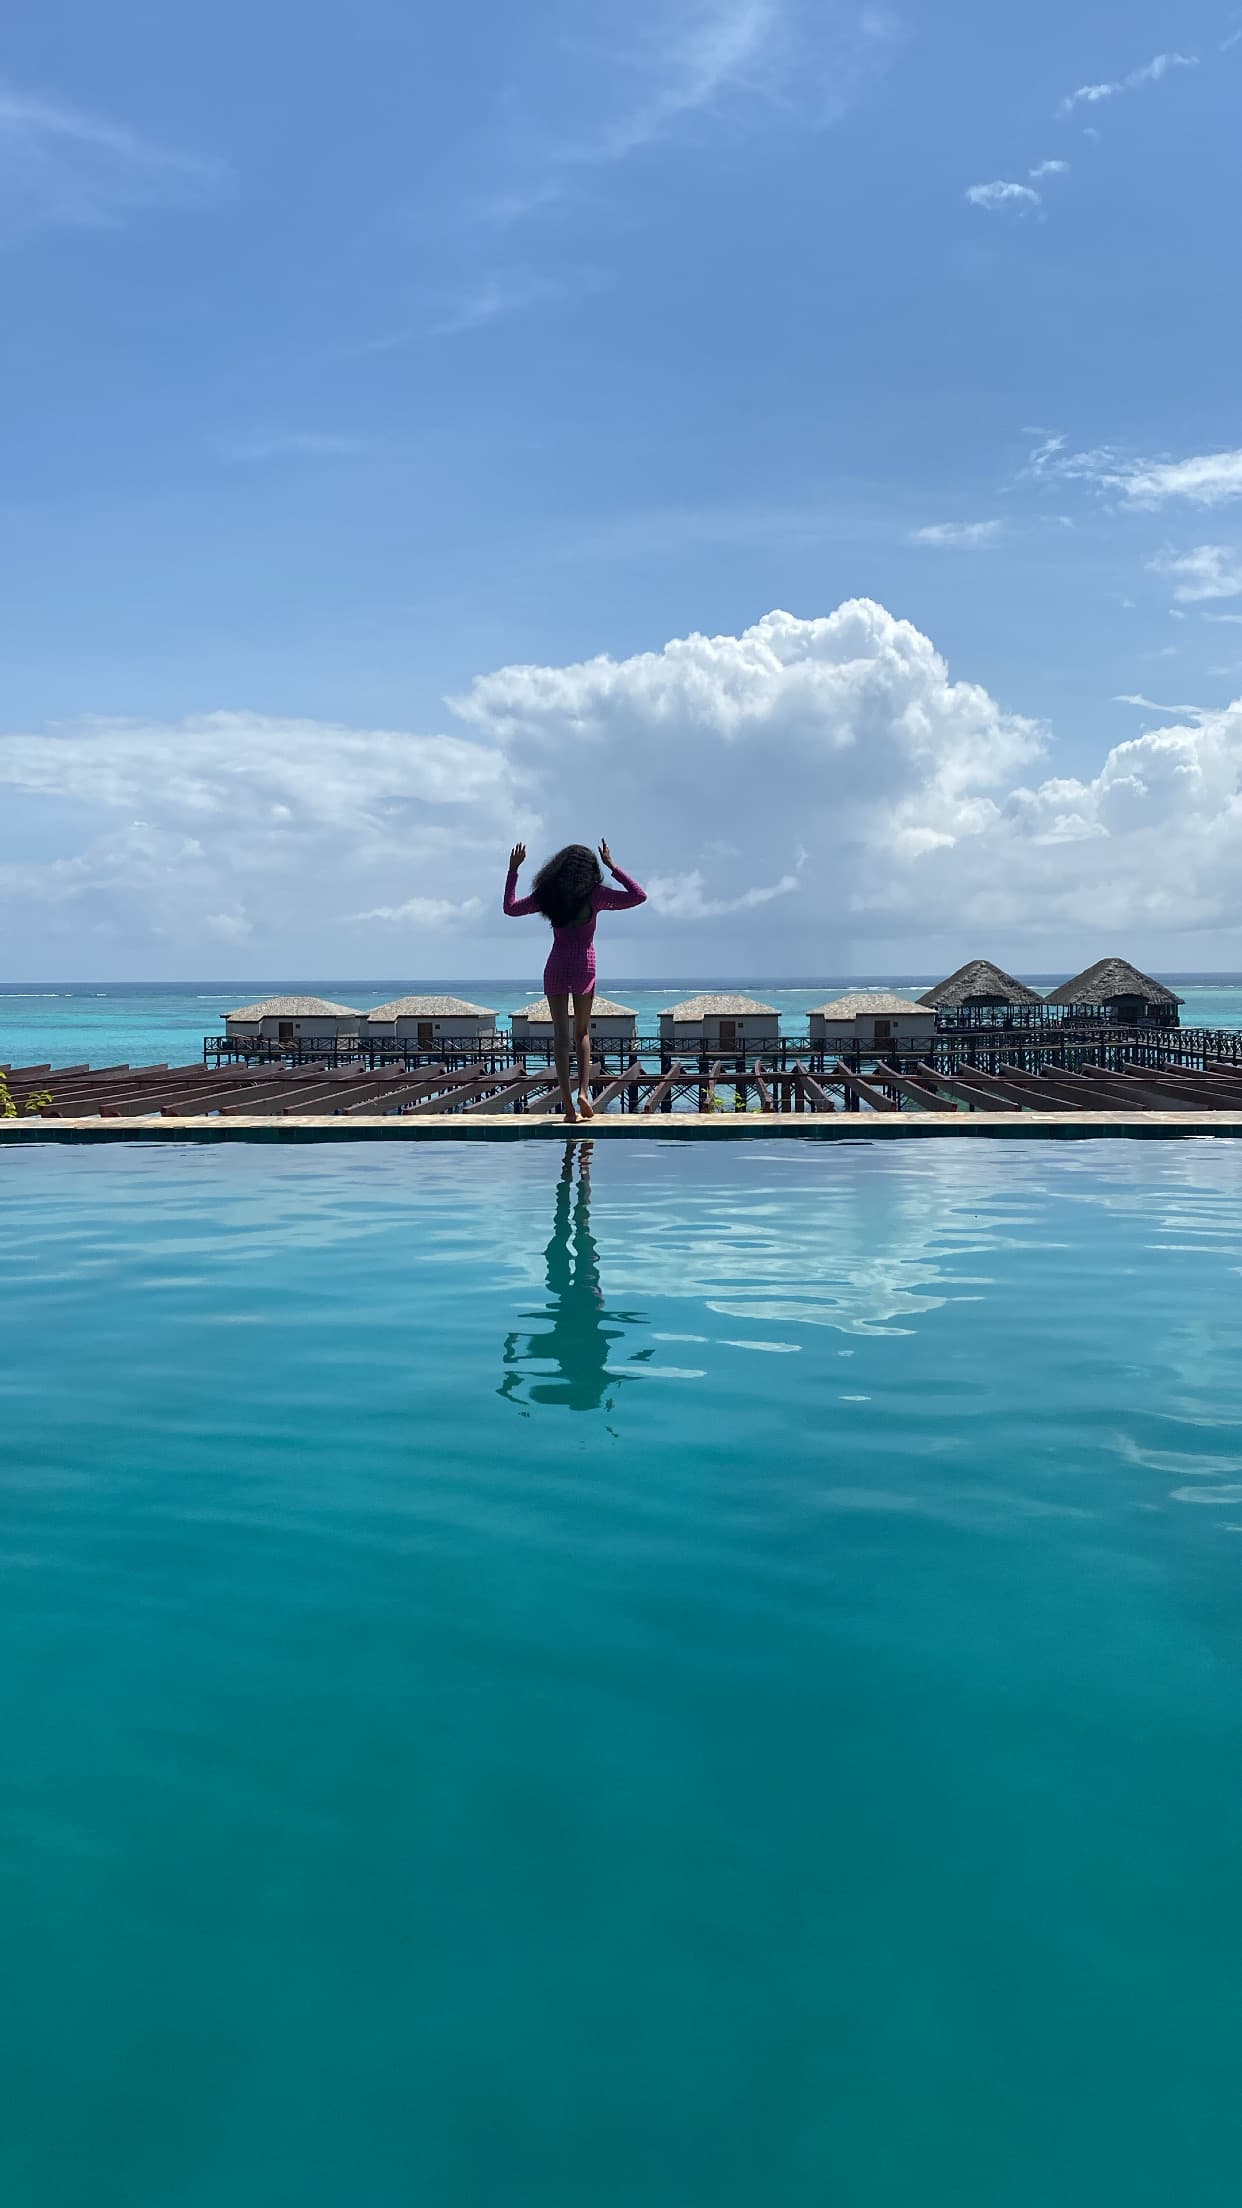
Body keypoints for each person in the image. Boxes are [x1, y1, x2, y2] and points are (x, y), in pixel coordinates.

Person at [503, 838, 646, 1123]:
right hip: (584, 965)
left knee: (560, 1036)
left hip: (556, 965)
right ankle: (583, 1092)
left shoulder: (548, 895)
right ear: (589, 869)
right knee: (581, 1033)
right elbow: (638, 895)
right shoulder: (595, 895)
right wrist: (613, 866)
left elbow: (510, 908)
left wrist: (513, 871)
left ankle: (567, 1104)